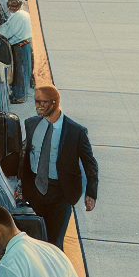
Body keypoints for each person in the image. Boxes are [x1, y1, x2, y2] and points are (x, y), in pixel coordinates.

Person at [17, 86, 99, 248]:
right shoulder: (31, 124)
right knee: (34, 242)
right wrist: (21, 184)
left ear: (55, 103)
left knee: (54, 243)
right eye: (36, 102)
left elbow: (90, 163)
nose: (38, 106)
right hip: (34, 191)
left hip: (60, 194)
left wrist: (91, 193)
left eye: (43, 102)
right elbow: (26, 156)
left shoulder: (76, 132)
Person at [0, 0, 34, 104]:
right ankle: (23, 93)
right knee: (25, 70)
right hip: (26, 44)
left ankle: (20, 95)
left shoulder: (16, 16)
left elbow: (8, 30)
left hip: (20, 46)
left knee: (20, 71)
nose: (11, 8)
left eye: (13, 5)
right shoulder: (25, 14)